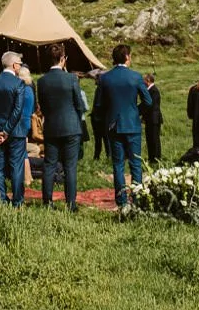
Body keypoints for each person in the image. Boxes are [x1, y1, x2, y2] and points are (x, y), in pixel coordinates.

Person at [93, 44, 152, 208]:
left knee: (118, 164)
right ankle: (138, 198)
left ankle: (121, 200)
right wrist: (135, 112)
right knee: (135, 164)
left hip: (113, 125)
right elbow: (148, 101)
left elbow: (98, 104)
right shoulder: (135, 77)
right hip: (132, 125)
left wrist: (109, 114)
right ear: (127, 57)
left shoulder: (105, 78)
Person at [36, 43, 86, 211]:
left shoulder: (41, 81)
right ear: (63, 59)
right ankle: (70, 203)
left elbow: (42, 106)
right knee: (70, 166)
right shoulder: (71, 78)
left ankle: (47, 201)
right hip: (71, 125)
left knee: (49, 165)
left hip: (51, 126)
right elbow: (79, 104)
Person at [0, 51, 30, 207]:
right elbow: (17, 111)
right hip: (15, 131)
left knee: (0, 167)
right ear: (15, 65)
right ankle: (18, 201)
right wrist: (7, 130)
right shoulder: (19, 84)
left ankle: (2, 200)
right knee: (17, 167)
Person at [142, 72, 163, 164]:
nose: (143, 82)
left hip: (153, 119)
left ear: (148, 80)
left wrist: (140, 112)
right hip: (150, 119)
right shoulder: (150, 90)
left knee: (154, 139)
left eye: (144, 80)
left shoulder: (154, 91)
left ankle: (155, 158)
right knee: (150, 138)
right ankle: (152, 157)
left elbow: (150, 105)